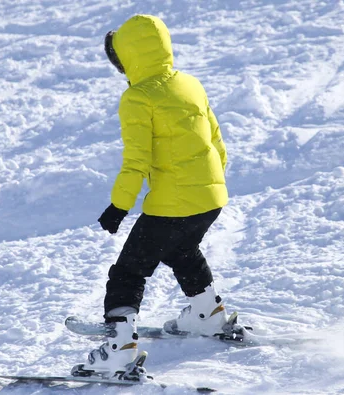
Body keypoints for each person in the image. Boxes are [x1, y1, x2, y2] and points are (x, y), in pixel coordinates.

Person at [78, 14, 230, 377]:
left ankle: (119, 349)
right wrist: (212, 181)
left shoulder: (137, 97)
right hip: (210, 197)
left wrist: (119, 206)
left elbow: (136, 160)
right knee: (182, 251)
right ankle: (208, 315)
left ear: (128, 58)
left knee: (129, 272)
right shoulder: (189, 83)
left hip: (173, 204)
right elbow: (216, 138)